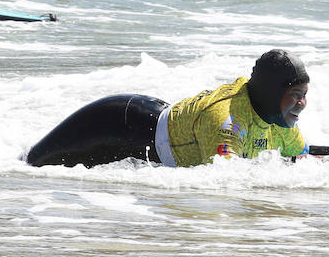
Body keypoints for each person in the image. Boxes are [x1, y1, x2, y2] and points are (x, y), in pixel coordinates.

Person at [25, 49, 311, 168]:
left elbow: (299, 158)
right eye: (295, 95)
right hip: (117, 125)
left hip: (156, 117)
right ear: (272, 94)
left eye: (304, 95)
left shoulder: (280, 120)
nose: (302, 105)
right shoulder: (226, 120)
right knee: (32, 165)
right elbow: (225, 179)